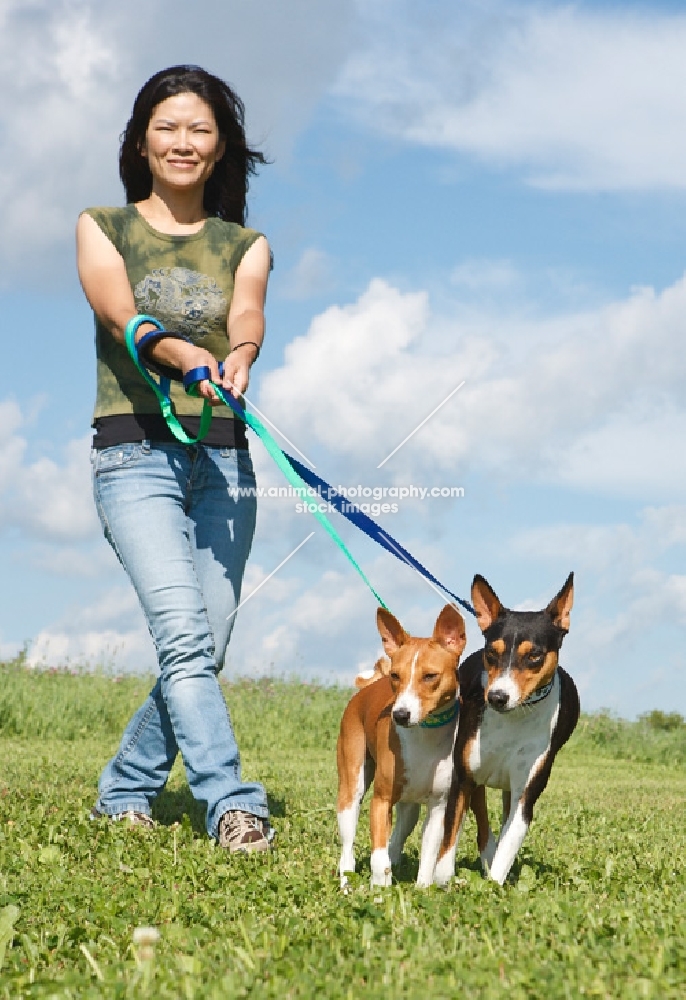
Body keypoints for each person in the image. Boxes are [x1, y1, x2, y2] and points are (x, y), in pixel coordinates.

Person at [76, 65, 273, 853]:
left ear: (221, 146)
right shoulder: (103, 226)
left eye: (199, 129)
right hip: (134, 457)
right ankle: (231, 800)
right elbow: (118, 312)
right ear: (140, 141)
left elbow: (248, 306)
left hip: (224, 458)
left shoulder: (244, 244)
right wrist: (177, 349)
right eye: (167, 126)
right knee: (184, 639)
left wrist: (243, 353)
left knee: (208, 643)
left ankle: (125, 789)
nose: (183, 141)